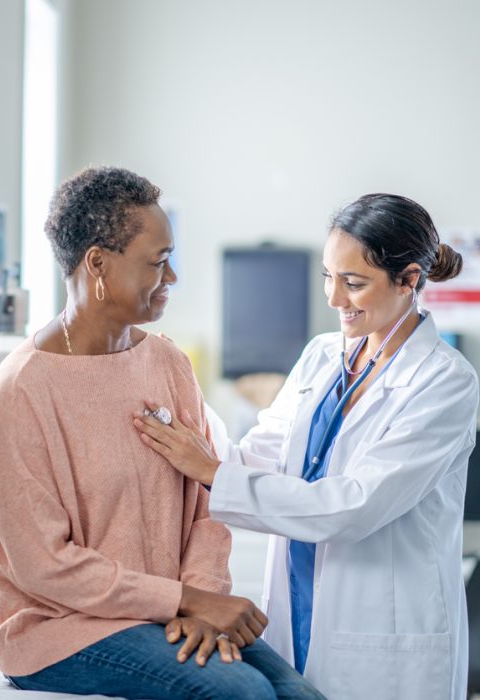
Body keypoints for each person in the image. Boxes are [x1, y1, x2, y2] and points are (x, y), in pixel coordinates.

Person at [0, 166, 325, 699]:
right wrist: (181, 600)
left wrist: (202, 597)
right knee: (243, 693)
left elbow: (205, 505)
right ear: (98, 263)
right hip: (62, 628)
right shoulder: (21, 391)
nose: (173, 278)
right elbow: (43, 565)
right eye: (158, 262)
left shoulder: (166, 363)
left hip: (167, 612)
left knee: (299, 694)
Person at [133, 193, 480, 700]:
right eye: (327, 276)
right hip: (297, 616)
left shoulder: (445, 382)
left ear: (408, 280)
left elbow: (353, 506)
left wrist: (212, 473)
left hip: (386, 638)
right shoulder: (322, 356)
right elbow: (255, 458)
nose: (334, 299)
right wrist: (177, 391)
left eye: (354, 283)